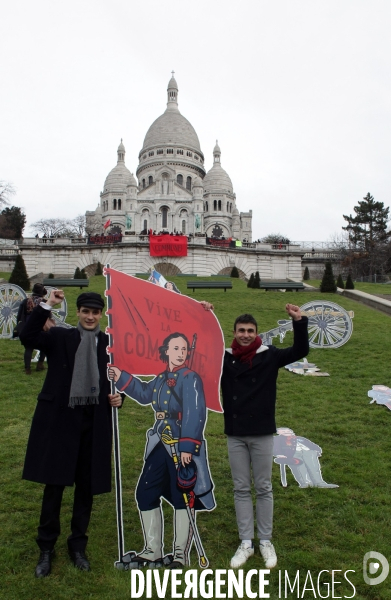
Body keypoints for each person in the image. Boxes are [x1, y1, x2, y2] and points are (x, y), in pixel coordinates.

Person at [20, 290, 122, 578]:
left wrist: (119, 398)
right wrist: (47, 305)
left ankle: (78, 545)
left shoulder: (109, 344)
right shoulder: (60, 337)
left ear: (101, 315)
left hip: (94, 421)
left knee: (86, 486)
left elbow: (116, 379)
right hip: (61, 419)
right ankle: (46, 547)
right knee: (54, 485)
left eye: (95, 312)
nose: (90, 317)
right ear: (77, 312)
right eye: (85, 311)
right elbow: (27, 336)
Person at [108, 331, 215, 569]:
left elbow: (195, 412)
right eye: (175, 349)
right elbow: (145, 394)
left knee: (182, 498)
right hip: (160, 442)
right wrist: (122, 377)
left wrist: (188, 447)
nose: (180, 353)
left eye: (184, 350)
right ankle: (152, 550)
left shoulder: (190, 378)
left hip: (181, 445)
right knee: (145, 492)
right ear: (166, 351)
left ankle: (179, 555)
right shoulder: (161, 378)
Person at [221, 304, 309, 569]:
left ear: (257, 333)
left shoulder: (269, 355)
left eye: (250, 331)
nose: (246, 335)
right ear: (234, 333)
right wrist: (203, 312)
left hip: (261, 432)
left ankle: (265, 540)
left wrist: (299, 321)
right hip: (235, 433)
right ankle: (246, 541)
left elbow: (300, 351)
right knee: (240, 488)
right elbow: (197, 351)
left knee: (263, 487)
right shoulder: (224, 357)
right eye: (241, 331)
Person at [273, 427, 338, 488]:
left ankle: (319, 483)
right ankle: (306, 483)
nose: (286, 432)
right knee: (300, 468)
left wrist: (317, 450)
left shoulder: (300, 438)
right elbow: (275, 447)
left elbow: (311, 444)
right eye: (283, 431)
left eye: (288, 431)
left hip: (308, 452)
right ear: (279, 433)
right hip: (292, 454)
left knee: (314, 467)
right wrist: (279, 454)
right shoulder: (277, 439)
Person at [16, 283, 49, 374]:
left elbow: (20, 315)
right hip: (41, 326)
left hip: (28, 327)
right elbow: (48, 315)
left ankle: (27, 369)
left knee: (28, 348)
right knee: (44, 346)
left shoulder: (26, 301)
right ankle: (40, 364)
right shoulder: (45, 302)